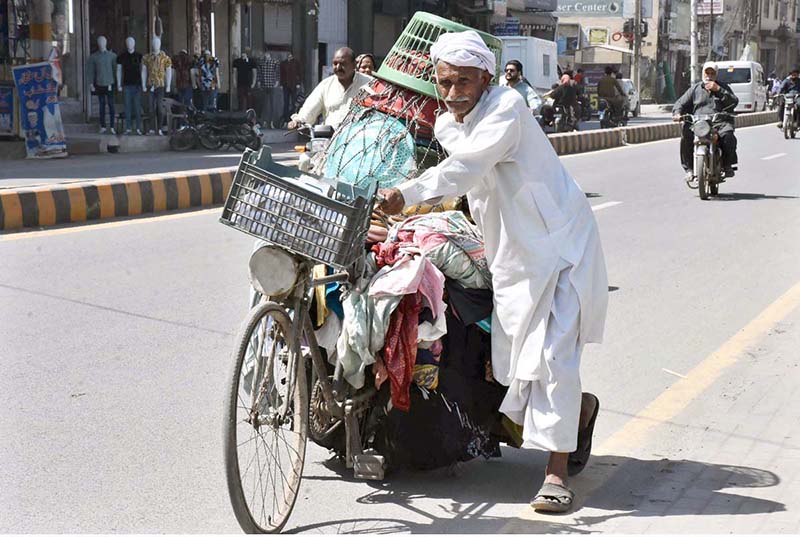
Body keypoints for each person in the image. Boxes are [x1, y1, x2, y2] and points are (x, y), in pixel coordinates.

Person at [378, 30, 608, 514]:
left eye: (464, 81)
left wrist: (407, 194)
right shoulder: (449, 123)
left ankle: (555, 475)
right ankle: (580, 412)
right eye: (445, 82)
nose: (454, 91)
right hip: (512, 252)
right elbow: (463, 179)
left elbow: (466, 167)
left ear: (486, 77)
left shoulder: (506, 109)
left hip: (561, 247)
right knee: (512, 362)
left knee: (551, 358)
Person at [672, 63, 739, 181]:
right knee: (686, 135)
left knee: (728, 135)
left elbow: (734, 102)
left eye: (712, 73)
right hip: (699, 123)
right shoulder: (695, 89)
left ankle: (727, 165)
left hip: (719, 122)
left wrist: (718, 90)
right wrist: (677, 113)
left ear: (716, 75)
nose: (709, 76)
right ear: (703, 73)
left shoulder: (723, 87)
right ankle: (689, 169)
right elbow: (680, 103)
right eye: (707, 73)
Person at [287, 47, 371, 130]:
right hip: (331, 139)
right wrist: (298, 121)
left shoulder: (370, 84)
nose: (338, 67)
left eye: (343, 64)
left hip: (360, 139)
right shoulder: (325, 85)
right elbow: (309, 110)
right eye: (335, 63)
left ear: (354, 65)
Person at [280, 52, 303, 123]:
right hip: (286, 84)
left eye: (290, 55)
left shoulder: (296, 63)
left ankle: (293, 118)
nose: (289, 56)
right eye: (288, 55)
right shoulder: (283, 63)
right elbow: (281, 74)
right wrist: (281, 84)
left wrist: (298, 83)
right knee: (286, 102)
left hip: (293, 84)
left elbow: (299, 73)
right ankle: (286, 118)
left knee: (293, 102)